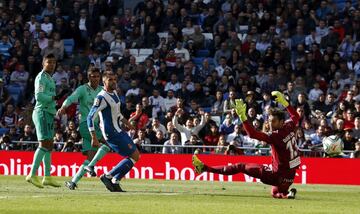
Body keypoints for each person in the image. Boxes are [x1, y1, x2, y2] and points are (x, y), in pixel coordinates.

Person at [193, 91, 300, 199]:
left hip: (276, 175)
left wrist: (242, 117)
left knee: (241, 166)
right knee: (275, 191)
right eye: (269, 121)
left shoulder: (275, 136)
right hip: (289, 177)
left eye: (274, 122)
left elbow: (252, 134)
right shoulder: (289, 126)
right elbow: (296, 116)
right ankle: (287, 194)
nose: (270, 125)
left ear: (282, 122)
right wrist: (286, 103)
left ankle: (204, 168)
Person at [57, 68, 110, 190]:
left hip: (97, 126)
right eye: (92, 76)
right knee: (108, 145)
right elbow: (71, 98)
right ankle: (91, 167)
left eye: (97, 76)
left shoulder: (102, 90)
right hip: (86, 124)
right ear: (88, 77)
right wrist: (64, 106)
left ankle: (73, 182)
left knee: (90, 158)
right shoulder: (82, 89)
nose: (95, 78)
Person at [87, 71, 140, 192]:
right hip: (111, 133)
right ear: (104, 82)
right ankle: (108, 176)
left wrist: (128, 124)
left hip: (118, 130)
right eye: (110, 80)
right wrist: (93, 137)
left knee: (135, 156)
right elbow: (90, 117)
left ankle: (115, 181)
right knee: (134, 155)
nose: (113, 82)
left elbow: (118, 114)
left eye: (115, 79)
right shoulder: (101, 97)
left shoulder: (115, 93)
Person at [25, 54, 61, 188]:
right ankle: (32, 174)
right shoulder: (41, 77)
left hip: (49, 113)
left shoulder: (49, 78)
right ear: (43, 63)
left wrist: (56, 98)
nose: (52, 65)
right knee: (44, 143)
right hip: (42, 112)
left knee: (49, 145)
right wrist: (54, 97)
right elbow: (39, 96)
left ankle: (47, 176)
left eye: (54, 62)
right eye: (49, 62)